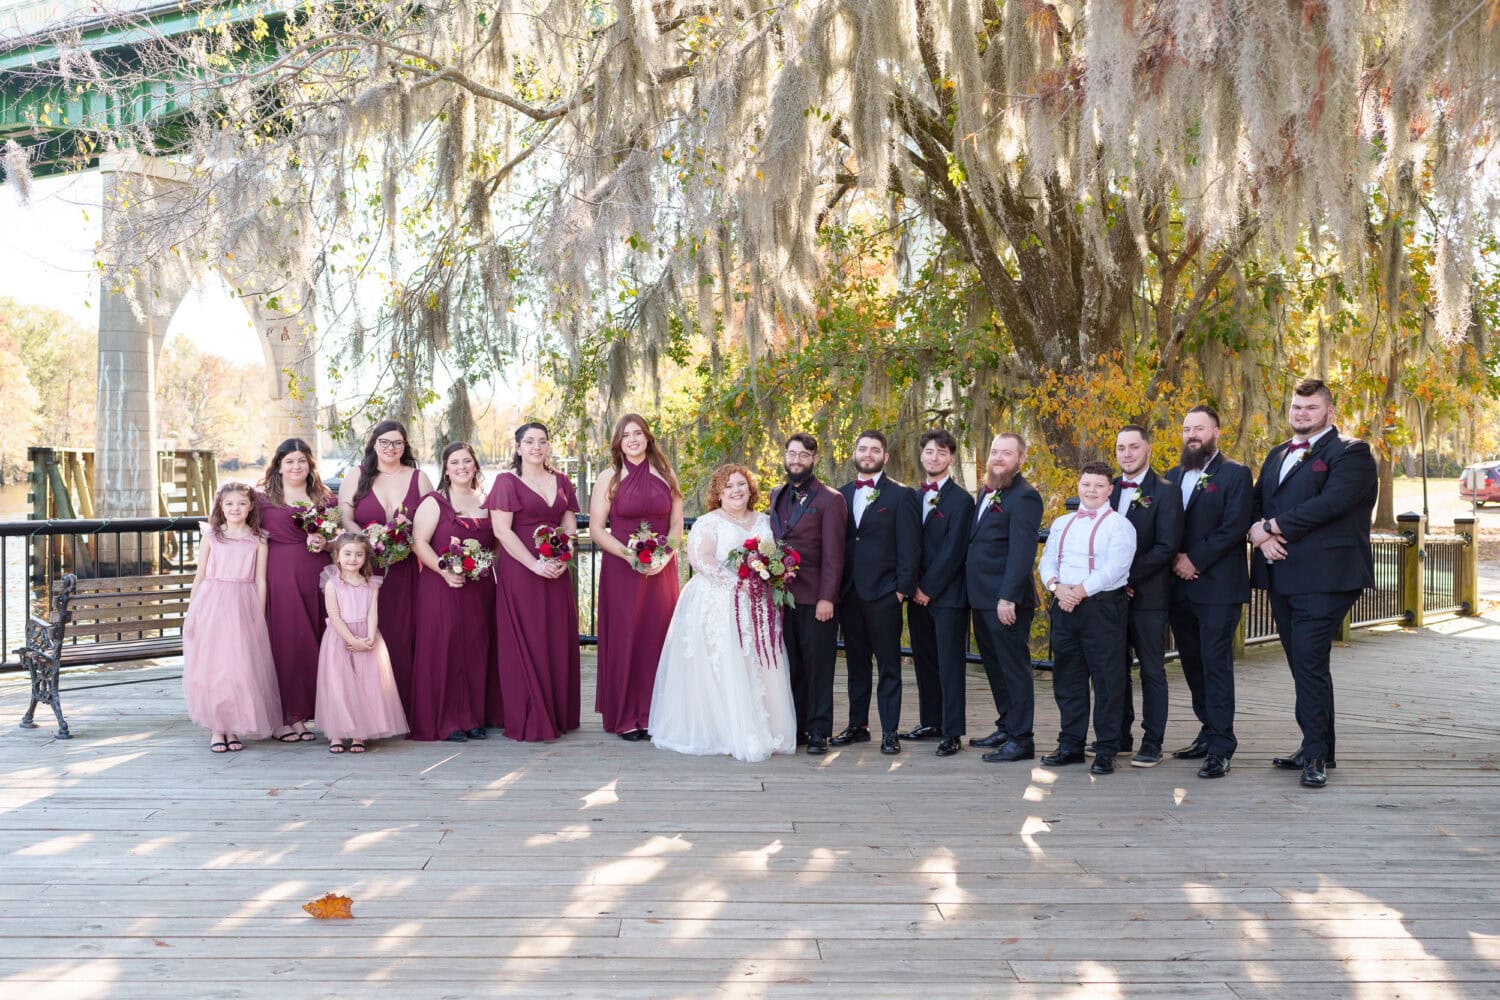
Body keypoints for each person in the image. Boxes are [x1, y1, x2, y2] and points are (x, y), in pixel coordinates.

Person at [1250, 378, 1377, 788]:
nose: (1301, 414)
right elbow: (1256, 504)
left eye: (1310, 408)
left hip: (1327, 577)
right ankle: (1320, 747)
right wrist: (1258, 533)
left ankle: (1315, 756)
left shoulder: (1351, 452)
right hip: (1284, 576)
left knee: (1307, 661)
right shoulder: (1276, 455)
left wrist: (1272, 527)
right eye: (1296, 407)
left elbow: (1330, 504)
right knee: (1305, 664)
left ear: (1329, 412)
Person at [649, 465, 798, 762]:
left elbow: (776, 555)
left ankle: (767, 727)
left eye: (741, 484)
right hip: (717, 600)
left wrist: (767, 575)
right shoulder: (708, 522)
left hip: (757, 601)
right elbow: (701, 559)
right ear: (718, 492)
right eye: (728, 486)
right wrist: (737, 584)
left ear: (750, 489)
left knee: (760, 663)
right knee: (724, 664)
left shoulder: (766, 521)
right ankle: (724, 728)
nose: (736, 490)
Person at [1164, 405, 1253, 779]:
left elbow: (1234, 527)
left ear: (1216, 432)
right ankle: (1206, 729)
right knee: (1192, 664)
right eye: (1186, 429)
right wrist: (1171, 560)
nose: (1192, 435)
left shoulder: (1235, 474)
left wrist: (1193, 560)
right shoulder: (1171, 475)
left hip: (1217, 586)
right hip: (1178, 589)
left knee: (1216, 665)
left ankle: (1221, 745)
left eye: (1199, 428)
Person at [1037, 462, 1137, 775]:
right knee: (1067, 676)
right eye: (1086, 484)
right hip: (1064, 605)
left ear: (1110, 489)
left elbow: (1116, 569)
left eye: (1098, 485)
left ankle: (1107, 748)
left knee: (1107, 678)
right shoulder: (1061, 523)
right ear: (1078, 486)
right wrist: (1056, 586)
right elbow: (1048, 561)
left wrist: (1079, 591)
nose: (1091, 490)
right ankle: (1070, 745)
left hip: (1102, 607)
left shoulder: (1120, 525)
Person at [589, 414, 684, 741]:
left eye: (638, 433)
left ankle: (654, 714)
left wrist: (665, 557)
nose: (632, 439)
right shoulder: (609, 478)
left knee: (656, 639)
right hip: (622, 568)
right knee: (625, 637)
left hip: (661, 571)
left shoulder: (667, 474)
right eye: (626, 435)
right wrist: (629, 555)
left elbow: (675, 527)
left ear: (647, 437)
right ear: (618, 442)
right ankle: (627, 715)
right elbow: (596, 529)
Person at [486, 421, 581, 742]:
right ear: (518, 447)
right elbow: (502, 531)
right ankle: (529, 713)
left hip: (555, 571)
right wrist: (534, 565)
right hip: (521, 571)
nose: (536, 447)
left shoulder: (562, 481)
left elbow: (569, 527)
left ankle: (557, 712)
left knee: (554, 637)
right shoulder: (506, 482)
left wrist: (561, 556)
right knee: (526, 638)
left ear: (549, 446)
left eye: (542, 441)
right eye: (529, 441)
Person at [832, 430, 920, 754]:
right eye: (862, 448)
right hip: (849, 593)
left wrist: (901, 591)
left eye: (875, 450)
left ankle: (889, 732)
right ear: (854, 454)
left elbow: (911, 547)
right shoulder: (839, 495)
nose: (868, 454)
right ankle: (858, 726)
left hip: (884, 594)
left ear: (885, 457)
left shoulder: (901, 495)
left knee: (888, 666)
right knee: (855, 665)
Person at [339, 420, 434, 713]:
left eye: (397, 443)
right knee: (370, 630)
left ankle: (406, 705)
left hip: (407, 572)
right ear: (374, 444)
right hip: (367, 570)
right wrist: (369, 540)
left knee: (406, 633)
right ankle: (370, 709)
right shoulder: (357, 475)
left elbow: (432, 521)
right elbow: (346, 518)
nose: (391, 448)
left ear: (405, 447)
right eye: (384, 442)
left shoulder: (419, 478)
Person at [408, 442, 499, 742]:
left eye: (467, 461)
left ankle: (473, 717)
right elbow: (419, 542)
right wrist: (445, 570)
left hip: (479, 589)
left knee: (476, 649)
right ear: (446, 470)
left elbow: (495, 544)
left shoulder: (487, 501)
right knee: (444, 649)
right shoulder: (434, 502)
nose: (462, 467)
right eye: (455, 462)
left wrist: (483, 565)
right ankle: (446, 720)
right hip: (440, 586)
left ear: (475, 466)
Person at [182, 483, 282, 752]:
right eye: (229, 504)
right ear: (221, 507)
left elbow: (260, 580)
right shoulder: (212, 536)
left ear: (251, 507)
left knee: (238, 666)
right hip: (213, 601)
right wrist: (192, 611)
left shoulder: (258, 538)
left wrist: (257, 616)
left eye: (241, 503)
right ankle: (217, 727)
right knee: (215, 665)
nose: (235, 508)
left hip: (243, 601)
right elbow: (200, 576)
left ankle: (234, 725)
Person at [1107, 425, 1182, 767]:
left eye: (1133, 447)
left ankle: (1153, 741)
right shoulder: (1106, 489)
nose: (1126, 454)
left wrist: (1127, 576)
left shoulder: (1166, 491)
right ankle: (1120, 735)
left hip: (1149, 595)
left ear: (1147, 449)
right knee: (1114, 667)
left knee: (1151, 670)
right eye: (1121, 447)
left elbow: (1167, 546)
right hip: (1111, 597)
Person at [966, 432, 1044, 763]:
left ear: (1021, 459)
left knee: (1014, 668)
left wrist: (1007, 597)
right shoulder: (987, 492)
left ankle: (1021, 738)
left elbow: (1022, 552)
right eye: (995, 451)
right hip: (981, 597)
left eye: (1006, 453)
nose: (998, 458)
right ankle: (1006, 725)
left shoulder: (1025, 497)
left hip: (1005, 600)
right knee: (994, 667)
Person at [767, 433, 847, 754]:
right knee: (792, 665)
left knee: (819, 666)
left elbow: (834, 554)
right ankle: (796, 727)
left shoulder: (830, 499)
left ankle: (818, 730)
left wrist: (827, 597)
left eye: (803, 455)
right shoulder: (776, 494)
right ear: (785, 457)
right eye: (791, 454)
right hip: (783, 598)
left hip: (817, 598)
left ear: (814, 459)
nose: (796, 460)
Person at [903, 429, 976, 757]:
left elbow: (954, 550)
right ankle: (930, 721)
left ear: (951, 458)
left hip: (947, 596)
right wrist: (910, 587)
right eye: (929, 452)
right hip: (915, 595)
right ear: (922, 455)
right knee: (925, 660)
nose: (934, 457)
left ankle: (952, 731)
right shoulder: (912, 496)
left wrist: (928, 589)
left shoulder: (962, 500)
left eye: (942, 453)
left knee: (949, 664)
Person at [258, 438, 334, 743]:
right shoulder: (263, 499)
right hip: (279, 575)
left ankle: (303, 716)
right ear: (278, 465)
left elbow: (338, 537)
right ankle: (283, 716)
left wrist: (326, 542)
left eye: (302, 461)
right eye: (289, 461)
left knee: (314, 641)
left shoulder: (325, 498)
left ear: (310, 465)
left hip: (316, 575)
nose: (296, 467)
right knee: (287, 642)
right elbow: (235, 525)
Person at [314, 533, 410, 753]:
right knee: (339, 685)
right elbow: (335, 616)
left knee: (366, 685)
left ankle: (360, 733)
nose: (353, 559)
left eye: (359, 554)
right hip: (340, 638)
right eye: (347, 554)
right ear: (337, 556)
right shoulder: (332, 584)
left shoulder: (371, 583)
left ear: (365, 558)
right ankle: (337, 733)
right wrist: (352, 640)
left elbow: (372, 614)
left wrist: (369, 638)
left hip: (367, 638)